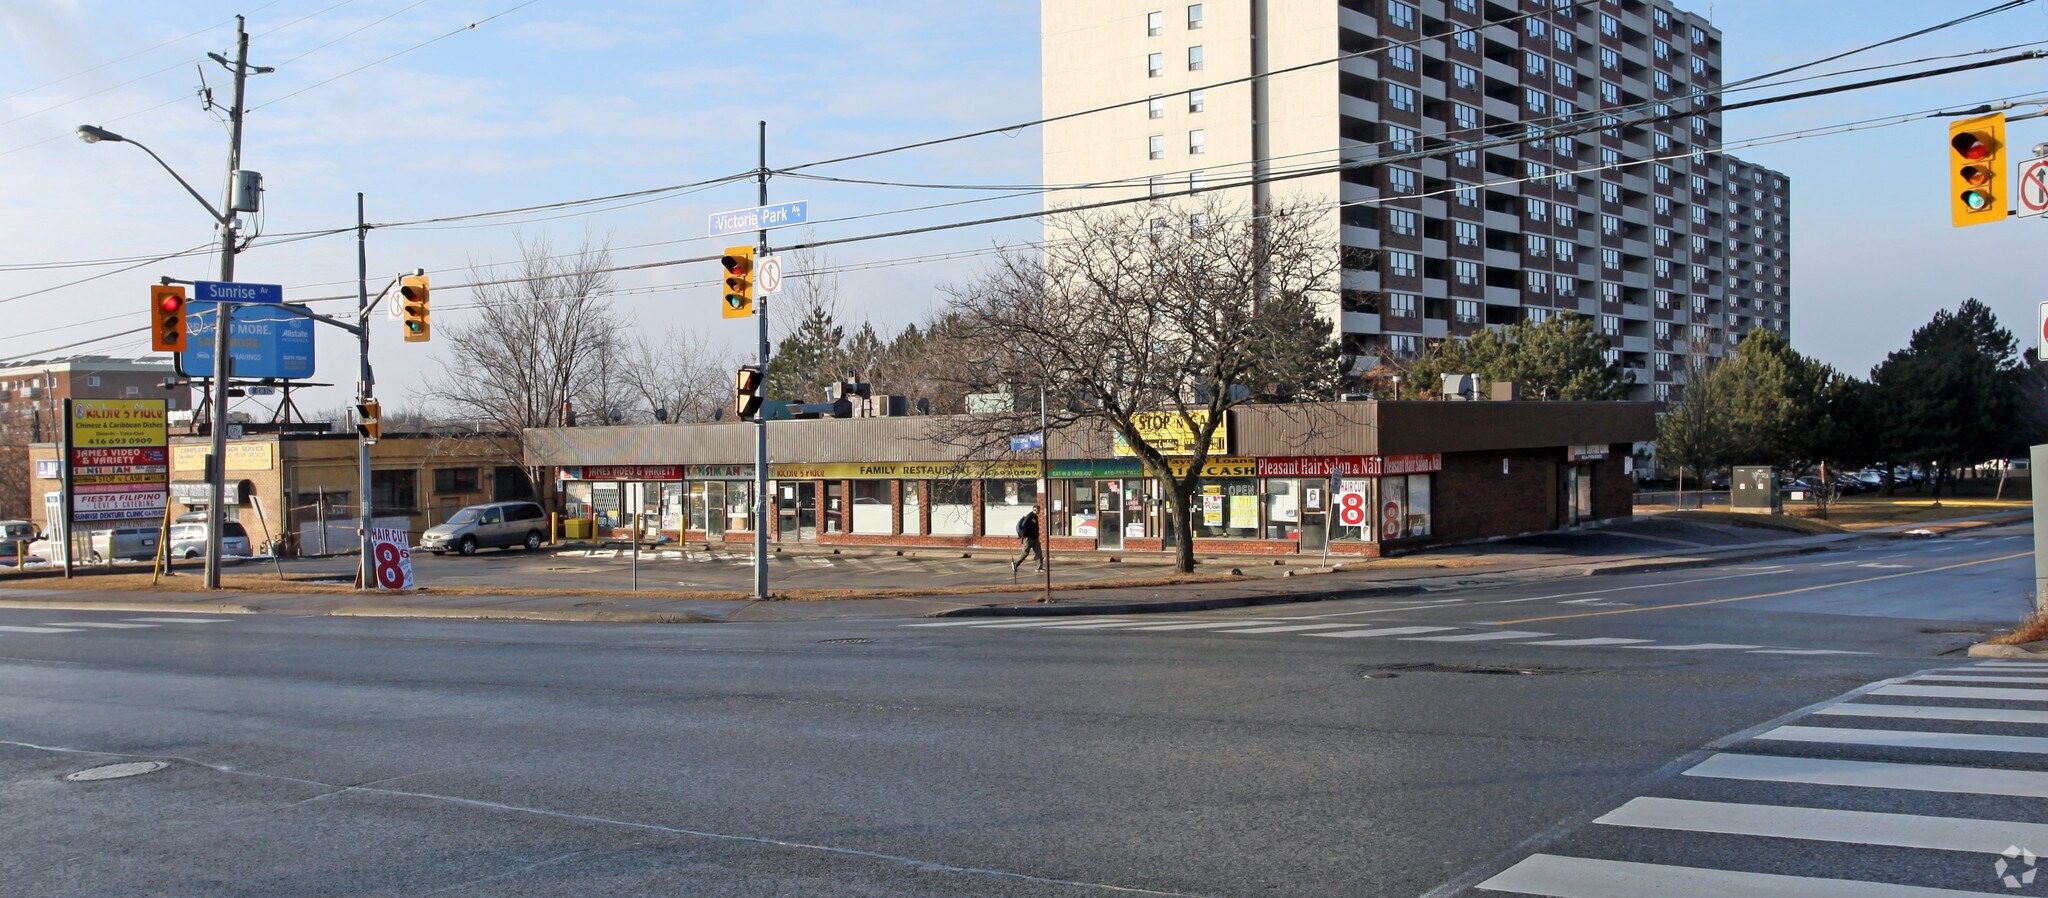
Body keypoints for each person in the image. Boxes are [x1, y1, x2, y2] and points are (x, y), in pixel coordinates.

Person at [1012, 508, 1043, 573]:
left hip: (1035, 538)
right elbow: (1023, 526)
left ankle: (1039, 567)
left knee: (1039, 552)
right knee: (1025, 553)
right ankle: (1015, 563)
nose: (1039, 511)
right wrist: (1025, 535)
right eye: (1038, 510)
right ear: (1035, 509)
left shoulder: (1035, 517)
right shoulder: (1029, 516)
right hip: (1029, 538)